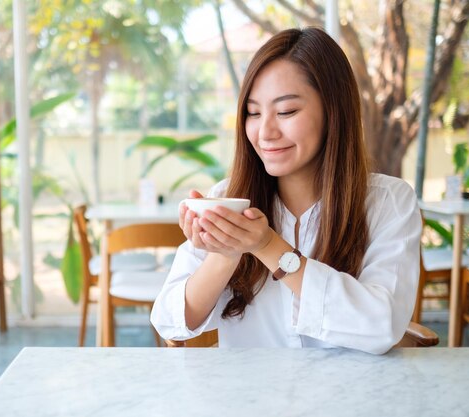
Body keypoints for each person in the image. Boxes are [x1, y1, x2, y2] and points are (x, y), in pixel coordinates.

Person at [150, 27, 421, 354]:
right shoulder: (228, 200)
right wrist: (224, 253)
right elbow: (170, 321)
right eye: (253, 112)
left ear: (333, 112)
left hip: (351, 400)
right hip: (252, 400)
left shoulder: (389, 202)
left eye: (286, 111)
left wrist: (268, 246)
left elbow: (382, 325)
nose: (265, 132)